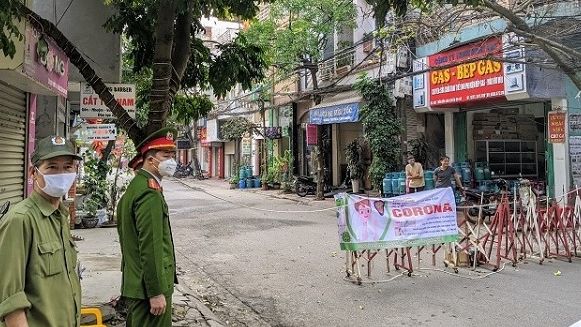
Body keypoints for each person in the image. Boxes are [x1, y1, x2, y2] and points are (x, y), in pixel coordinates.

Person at [0, 136, 82, 327]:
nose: (61, 174)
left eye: (68, 167)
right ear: (33, 173)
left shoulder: (60, 216)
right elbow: (11, 302)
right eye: (52, 167)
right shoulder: (20, 220)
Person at [116, 128, 179, 327]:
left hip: (139, 285)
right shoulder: (148, 193)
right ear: (151, 159)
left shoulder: (137, 186)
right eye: (165, 155)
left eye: (172, 155)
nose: (171, 160)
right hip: (148, 290)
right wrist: (155, 292)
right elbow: (150, 247)